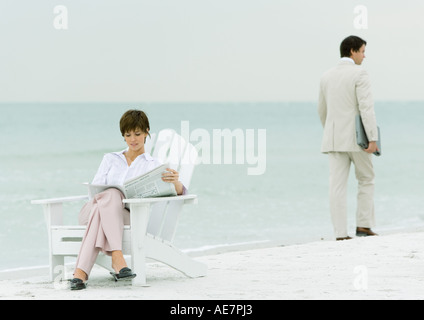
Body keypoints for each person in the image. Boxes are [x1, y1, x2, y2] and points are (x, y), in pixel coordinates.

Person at [70, 109, 186, 290]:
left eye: (138, 134)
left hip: (127, 216)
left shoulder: (153, 165)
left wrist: (176, 182)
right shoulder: (110, 159)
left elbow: (178, 192)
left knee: (109, 204)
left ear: (147, 132)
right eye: (128, 134)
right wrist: (110, 194)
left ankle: (80, 274)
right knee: (111, 195)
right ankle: (117, 257)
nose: (133, 139)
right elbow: (96, 192)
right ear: (123, 136)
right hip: (93, 210)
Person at [318, 35, 379, 241]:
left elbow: (322, 110)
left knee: (336, 186)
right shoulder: (360, 74)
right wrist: (372, 138)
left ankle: (340, 234)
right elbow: (366, 108)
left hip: (334, 139)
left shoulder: (326, 76)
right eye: (362, 51)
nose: (364, 55)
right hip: (357, 139)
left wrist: (330, 131)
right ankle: (363, 225)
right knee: (366, 179)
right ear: (352, 51)